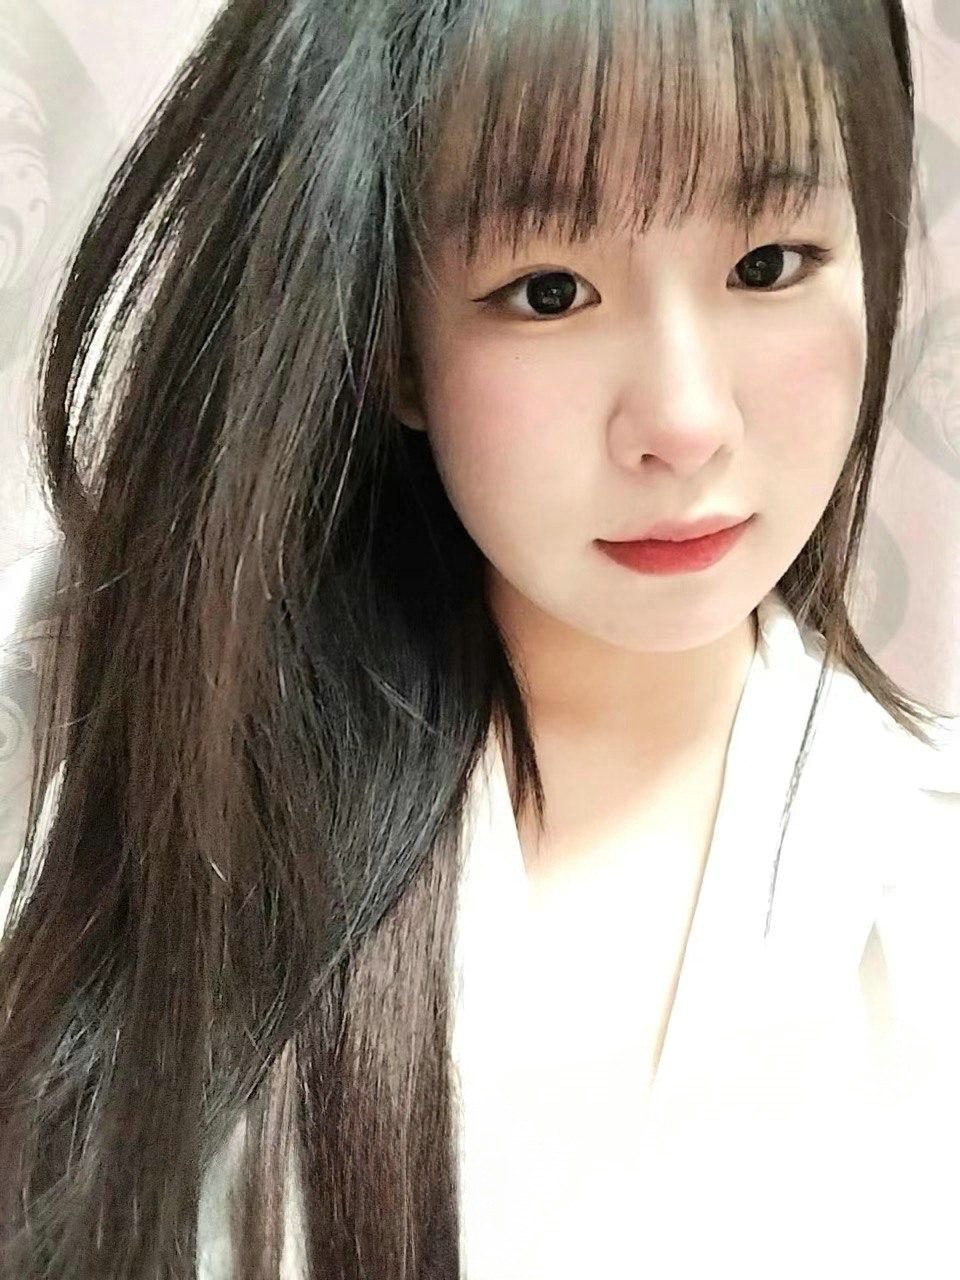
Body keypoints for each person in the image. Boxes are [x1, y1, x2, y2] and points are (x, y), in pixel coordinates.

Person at [0, 0, 958, 1276]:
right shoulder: (155, 805)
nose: (685, 421)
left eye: (771, 263)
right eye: (549, 291)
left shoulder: (924, 869)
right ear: (397, 347)